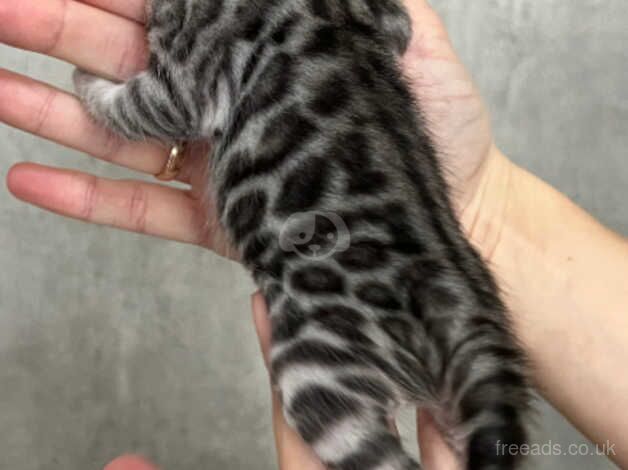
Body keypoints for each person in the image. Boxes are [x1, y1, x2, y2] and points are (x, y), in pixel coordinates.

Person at [0, 1, 626, 469]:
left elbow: (170, 107)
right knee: (495, 429)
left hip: (329, 267)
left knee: (325, 410)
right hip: (442, 269)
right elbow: (395, 28)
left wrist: (99, 95)